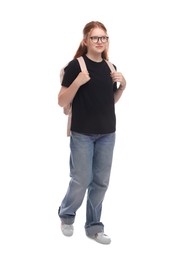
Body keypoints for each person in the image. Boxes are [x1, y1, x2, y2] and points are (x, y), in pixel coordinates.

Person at [58, 21, 126, 245]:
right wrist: (77, 82)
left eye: (103, 37)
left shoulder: (110, 67)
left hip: (107, 133)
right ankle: (67, 214)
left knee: (101, 182)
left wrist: (122, 87)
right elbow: (61, 101)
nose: (100, 41)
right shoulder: (76, 66)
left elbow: (110, 102)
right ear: (85, 40)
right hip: (83, 133)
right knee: (81, 179)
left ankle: (94, 226)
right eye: (95, 37)